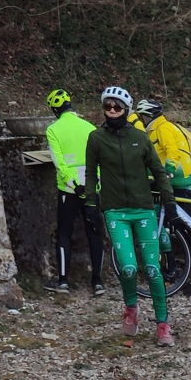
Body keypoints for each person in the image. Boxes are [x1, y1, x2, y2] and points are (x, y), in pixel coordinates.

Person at [85, 85, 177, 347]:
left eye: (117, 107)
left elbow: (158, 171)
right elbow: (91, 173)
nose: (112, 111)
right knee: (127, 267)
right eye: (107, 106)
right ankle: (131, 308)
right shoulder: (96, 138)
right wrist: (91, 204)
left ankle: (162, 325)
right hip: (115, 210)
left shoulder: (140, 137)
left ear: (127, 110)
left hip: (144, 209)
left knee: (152, 269)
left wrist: (168, 202)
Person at [136, 97, 191, 292]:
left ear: (148, 115)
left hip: (181, 180)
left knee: (188, 229)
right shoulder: (155, 129)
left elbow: (171, 151)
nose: (141, 120)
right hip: (176, 181)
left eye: (142, 116)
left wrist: (168, 170)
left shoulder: (163, 128)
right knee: (183, 226)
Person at [43, 88, 106, 296]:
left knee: (64, 234)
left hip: (68, 190)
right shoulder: (89, 127)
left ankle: (62, 281)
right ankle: (98, 282)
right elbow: (98, 160)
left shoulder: (53, 129)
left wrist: (73, 184)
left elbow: (59, 162)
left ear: (54, 108)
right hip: (91, 189)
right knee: (95, 234)